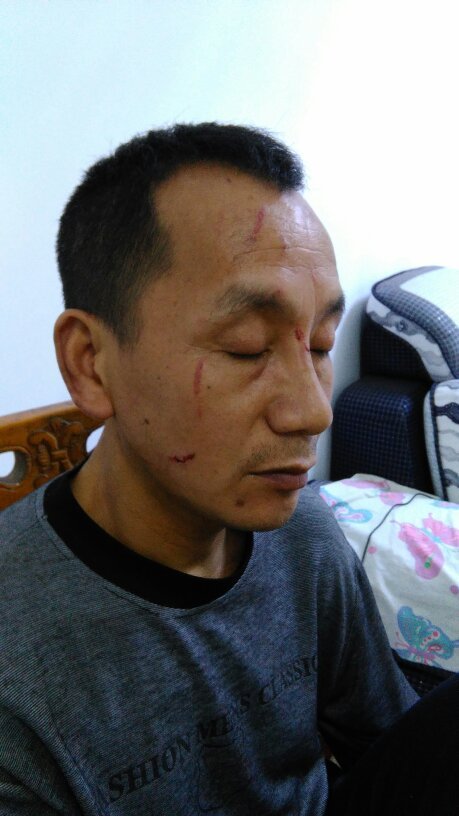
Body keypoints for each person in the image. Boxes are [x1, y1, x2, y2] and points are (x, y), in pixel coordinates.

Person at [0, 123, 418, 816]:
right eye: (246, 347)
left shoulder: (305, 534)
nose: (314, 412)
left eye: (320, 344)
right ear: (91, 363)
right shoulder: (18, 672)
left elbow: (394, 748)